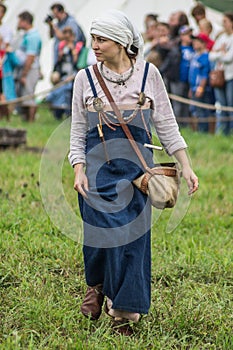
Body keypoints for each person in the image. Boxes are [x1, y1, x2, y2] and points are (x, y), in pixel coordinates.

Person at [68, 9, 198, 336]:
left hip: (138, 173)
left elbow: (166, 124)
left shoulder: (148, 75)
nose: (94, 45)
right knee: (100, 237)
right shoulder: (84, 78)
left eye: (101, 39)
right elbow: (77, 129)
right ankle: (96, 285)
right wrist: (78, 169)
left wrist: (186, 165)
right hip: (97, 171)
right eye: (93, 39)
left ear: (122, 42)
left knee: (131, 241)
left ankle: (124, 312)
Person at [209, 12, 233, 135]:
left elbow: (230, 57)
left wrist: (220, 54)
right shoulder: (222, 38)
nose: (223, 24)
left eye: (225, 21)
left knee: (230, 105)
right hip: (219, 77)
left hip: (230, 76)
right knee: (222, 106)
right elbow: (211, 56)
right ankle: (222, 132)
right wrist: (221, 53)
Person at [17, 11, 42, 122]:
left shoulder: (33, 37)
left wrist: (24, 74)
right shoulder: (26, 35)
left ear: (25, 21)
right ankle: (26, 119)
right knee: (25, 95)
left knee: (29, 95)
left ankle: (31, 121)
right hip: (28, 69)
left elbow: (30, 57)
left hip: (30, 69)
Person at [188, 34, 214, 132]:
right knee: (196, 111)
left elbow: (204, 74)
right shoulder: (195, 56)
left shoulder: (205, 56)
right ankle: (198, 131)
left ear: (203, 43)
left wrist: (201, 88)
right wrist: (191, 88)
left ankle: (203, 132)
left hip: (202, 89)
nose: (194, 43)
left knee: (203, 111)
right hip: (194, 87)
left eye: (197, 41)